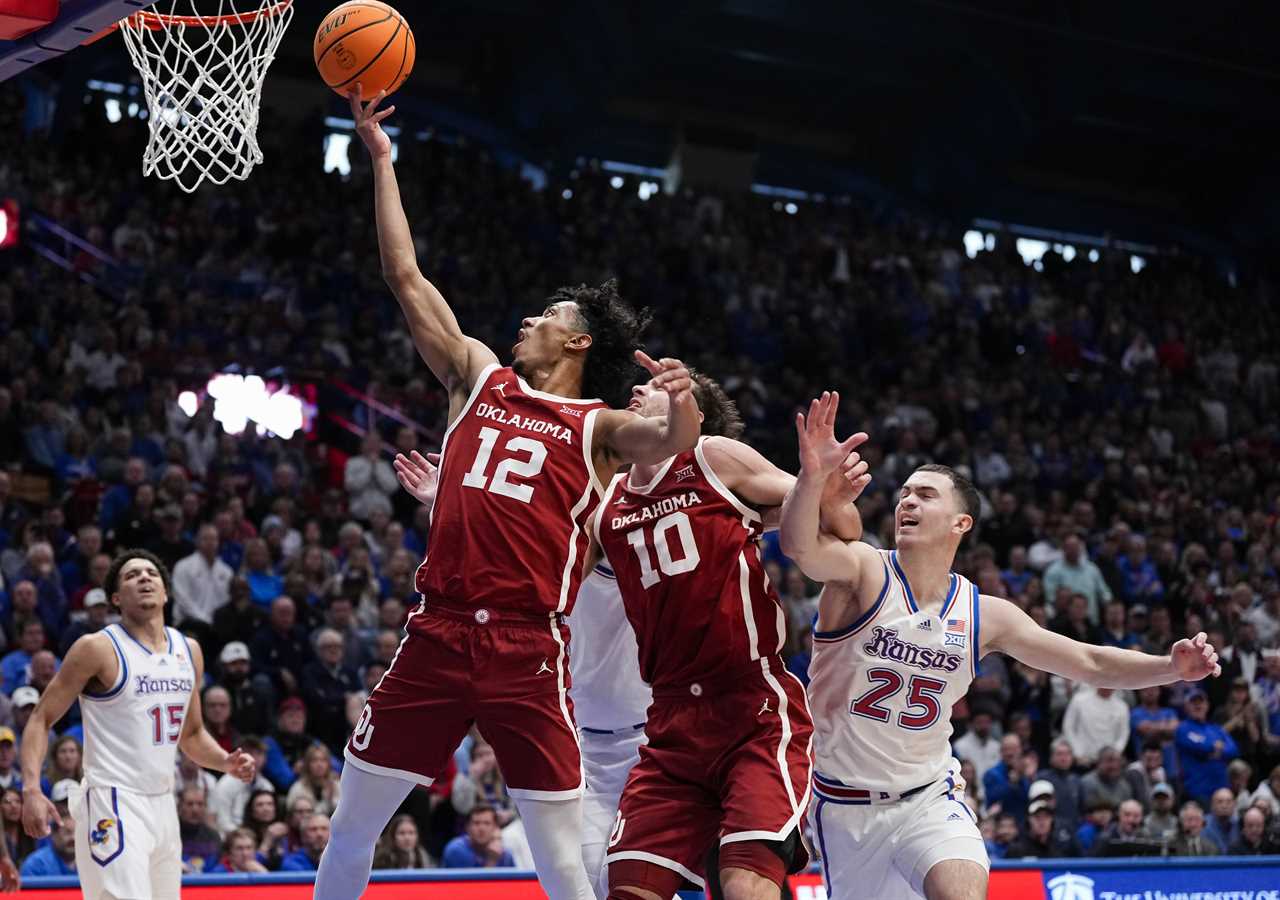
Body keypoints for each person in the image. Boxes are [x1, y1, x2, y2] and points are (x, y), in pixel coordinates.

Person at [318, 87, 702, 900]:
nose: (527, 319)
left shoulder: (597, 425)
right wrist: (382, 163)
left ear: (579, 339)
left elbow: (669, 443)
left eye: (548, 314)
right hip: (437, 630)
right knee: (353, 825)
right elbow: (404, 276)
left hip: (529, 647)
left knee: (562, 861)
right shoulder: (477, 376)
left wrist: (681, 398)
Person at [779, 398, 1221, 900]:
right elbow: (799, 548)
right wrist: (810, 477)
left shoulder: (985, 614)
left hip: (929, 796)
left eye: (925, 495)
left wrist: (1169, 667)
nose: (907, 502)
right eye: (904, 494)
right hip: (846, 808)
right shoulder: (865, 571)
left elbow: (1089, 661)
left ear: (960, 523)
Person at [596, 385, 863, 900]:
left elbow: (843, 524)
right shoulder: (608, 496)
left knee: (743, 883)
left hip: (750, 706)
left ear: (688, 410)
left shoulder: (712, 458)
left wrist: (815, 479)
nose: (634, 389)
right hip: (670, 720)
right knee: (627, 887)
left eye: (654, 387)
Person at [19, 549, 256, 900]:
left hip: (164, 803)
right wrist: (31, 790)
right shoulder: (97, 648)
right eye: (131, 575)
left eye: (151, 573)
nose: (144, 578)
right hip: (113, 800)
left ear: (165, 592)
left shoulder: (188, 649)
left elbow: (190, 734)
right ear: (116, 598)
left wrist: (224, 761)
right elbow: (41, 718)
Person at [1176, 688, 1239, 806]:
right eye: (1193, 702)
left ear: (1207, 705)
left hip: (1222, 788)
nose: (1198, 705)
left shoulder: (1216, 729)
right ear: (1186, 706)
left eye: (1201, 702)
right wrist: (1215, 747)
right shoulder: (1183, 728)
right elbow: (1201, 747)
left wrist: (1213, 748)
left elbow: (1233, 749)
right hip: (1197, 790)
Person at [442, 805, 514, 869]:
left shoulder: (505, 854)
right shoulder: (456, 850)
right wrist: (492, 861)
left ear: (495, 827)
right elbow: (470, 884)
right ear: (467, 827)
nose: (481, 828)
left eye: (487, 823)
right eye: (476, 823)